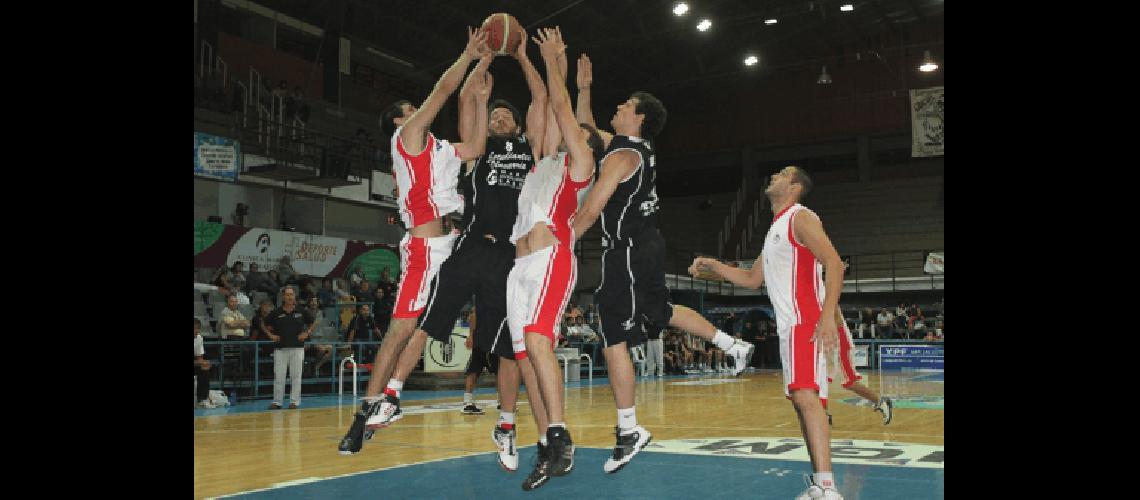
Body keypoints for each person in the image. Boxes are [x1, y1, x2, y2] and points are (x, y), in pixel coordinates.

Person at [571, 49, 754, 474]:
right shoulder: (631, 148)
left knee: (612, 334)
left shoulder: (622, 158)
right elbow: (584, 130)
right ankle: (732, 344)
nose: (615, 110)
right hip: (646, 245)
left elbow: (592, 209)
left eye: (623, 107)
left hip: (630, 250)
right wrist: (582, 88)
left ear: (638, 118)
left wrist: (560, 243)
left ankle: (629, 428)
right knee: (661, 311)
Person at [337, 28, 494, 455]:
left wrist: (481, 87)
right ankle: (366, 410)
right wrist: (468, 55)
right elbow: (444, 90)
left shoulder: (440, 147)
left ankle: (390, 397)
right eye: (412, 108)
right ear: (399, 120)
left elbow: (478, 145)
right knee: (400, 329)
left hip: (453, 241)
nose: (419, 111)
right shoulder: (405, 139)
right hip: (424, 247)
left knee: (433, 323)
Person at [689, 165, 847, 499]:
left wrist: (827, 316)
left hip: (806, 321)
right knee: (804, 401)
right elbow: (750, 279)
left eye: (781, 174)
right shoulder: (776, 226)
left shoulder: (801, 217)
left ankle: (828, 488)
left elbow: (834, 263)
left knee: (806, 398)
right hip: (791, 326)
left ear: (794, 185)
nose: (773, 176)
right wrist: (713, 267)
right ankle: (821, 485)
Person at [505, 28, 602, 489]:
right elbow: (544, 101)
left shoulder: (581, 165)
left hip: (551, 260)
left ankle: (561, 432)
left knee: (538, 340)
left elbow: (561, 107)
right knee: (524, 356)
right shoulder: (543, 158)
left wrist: (553, 61)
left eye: (578, 132)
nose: (567, 131)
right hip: (519, 266)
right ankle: (546, 440)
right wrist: (527, 57)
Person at [262, 286, 316, 409]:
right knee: (279, 376)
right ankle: (277, 402)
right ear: (283, 297)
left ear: (294, 296)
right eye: (287, 295)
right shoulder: (276, 312)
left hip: (297, 349)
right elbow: (263, 323)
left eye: (292, 294)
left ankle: (294, 402)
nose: (290, 297)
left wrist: (307, 333)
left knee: (296, 376)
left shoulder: (301, 311)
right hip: (280, 349)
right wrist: (271, 335)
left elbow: (313, 322)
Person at [194, 318, 216, 409]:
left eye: (198, 328)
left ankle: (201, 399)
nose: (196, 330)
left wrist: (204, 363)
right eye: (194, 328)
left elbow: (199, 357)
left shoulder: (199, 338)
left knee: (204, 370)